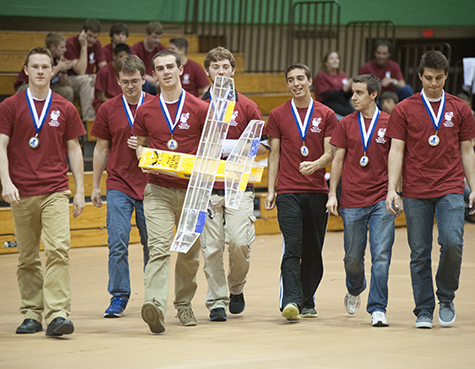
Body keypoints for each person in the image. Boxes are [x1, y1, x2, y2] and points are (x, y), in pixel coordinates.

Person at [386, 50, 475, 329]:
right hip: (415, 189)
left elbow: (467, 150)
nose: (433, 83)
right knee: (419, 252)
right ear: (419, 76)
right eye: (428, 78)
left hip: (450, 186)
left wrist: (473, 187)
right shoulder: (403, 109)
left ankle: (446, 298)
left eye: (438, 78)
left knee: (452, 243)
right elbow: (396, 151)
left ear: (446, 76)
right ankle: (424, 309)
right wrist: (392, 189)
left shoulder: (461, 109)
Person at [0, 47, 86, 336]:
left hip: (55, 190)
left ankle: (58, 313)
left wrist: (79, 190)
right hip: (21, 191)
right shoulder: (10, 106)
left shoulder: (65, 107)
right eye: (34, 66)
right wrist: (6, 182)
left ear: (52, 71)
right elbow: (1, 145)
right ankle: (32, 313)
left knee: (59, 249)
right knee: (27, 257)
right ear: (26, 70)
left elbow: (74, 149)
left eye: (44, 67)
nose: (39, 71)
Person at [131, 50, 209, 334]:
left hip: (193, 193)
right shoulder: (146, 109)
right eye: (160, 68)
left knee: (189, 253)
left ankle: (184, 304)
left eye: (170, 67)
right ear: (154, 74)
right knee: (159, 249)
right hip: (158, 189)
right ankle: (154, 306)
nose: (165, 72)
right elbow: (139, 145)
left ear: (180, 69)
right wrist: (145, 156)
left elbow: (211, 149)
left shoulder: (200, 108)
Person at [264, 63, 337, 321]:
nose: (295, 84)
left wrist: (316, 165)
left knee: (313, 249)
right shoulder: (277, 114)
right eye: (290, 80)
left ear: (309, 81)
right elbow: (274, 154)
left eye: (300, 79)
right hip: (288, 190)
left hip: (317, 190)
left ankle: (308, 299)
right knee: (292, 245)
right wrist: (271, 190)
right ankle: (291, 299)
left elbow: (331, 153)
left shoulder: (327, 114)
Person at [326, 74, 399, 327]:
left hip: (381, 198)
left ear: (373, 95)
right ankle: (355, 287)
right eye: (353, 92)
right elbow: (337, 160)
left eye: (358, 93)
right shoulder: (346, 123)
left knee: (381, 255)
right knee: (352, 257)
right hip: (352, 199)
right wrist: (332, 194)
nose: (353, 97)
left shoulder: (391, 123)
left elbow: (397, 159)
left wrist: (395, 191)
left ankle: (378, 307)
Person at [200, 46, 266, 322]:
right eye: (215, 67)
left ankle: (236, 288)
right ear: (207, 72)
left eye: (225, 66)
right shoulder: (196, 105)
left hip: (239, 187)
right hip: (207, 188)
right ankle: (216, 301)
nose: (221, 71)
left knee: (239, 243)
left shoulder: (248, 105)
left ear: (233, 70)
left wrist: (232, 147)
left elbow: (263, 146)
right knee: (212, 248)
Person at [91, 55, 154, 318]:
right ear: (118, 81)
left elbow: (170, 143)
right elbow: (100, 148)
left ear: (144, 79)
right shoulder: (107, 109)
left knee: (153, 245)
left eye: (135, 81)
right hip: (118, 183)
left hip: (151, 184)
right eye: (125, 82)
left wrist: (146, 147)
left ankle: (153, 296)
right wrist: (95, 185)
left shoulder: (157, 105)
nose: (130, 86)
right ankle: (119, 296)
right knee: (117, 242)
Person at [64, 18, 107, 121]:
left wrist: (98, 76)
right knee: (87, 81)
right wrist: (84, 46)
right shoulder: (71, 43)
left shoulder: (97, 45)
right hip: (69, 80)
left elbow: (105, 69)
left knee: (97, 81)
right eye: (89, 36)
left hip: (86, 80)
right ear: (82, 33)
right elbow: (80, 71)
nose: (92, 40)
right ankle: (90, 120)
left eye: (95, 37)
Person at [14, 32, 74, 102]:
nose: (65, 50)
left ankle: (63, 112)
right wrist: (58, 68)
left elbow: (64, 84)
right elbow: (41, 77)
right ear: (53, 47)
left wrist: (64, 70)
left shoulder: (57, 59)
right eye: (62, 47)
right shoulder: (41, 56)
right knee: (36, 89)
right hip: (28, 85)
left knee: (67, 91)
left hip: (47, 86)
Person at [313, 51, 354, 117]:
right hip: (326, 104)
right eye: (332, 59)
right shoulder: (321, 75)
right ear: (326, 63)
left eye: (337, 58)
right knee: (348, 116)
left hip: (342, 103)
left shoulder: (343, 75)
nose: (335, 61)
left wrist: (351, 88)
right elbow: (326, 96)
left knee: (356, 114)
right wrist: (343, 90)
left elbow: (346, 97)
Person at [92, 43, 130, 113]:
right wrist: (117, 104)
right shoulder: (104, 71)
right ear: (114, 56)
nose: (123, 60)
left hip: (121, 104)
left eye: (126, 57)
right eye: (120, 57)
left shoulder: (127, 72)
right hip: (105, 104)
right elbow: (101, 97)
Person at [130, 22, 166, 91]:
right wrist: (145, 76)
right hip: (141, 80)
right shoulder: (135, 49)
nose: (157, 40)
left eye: (159, 38)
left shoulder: (162, 49)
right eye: (155, 37)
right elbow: (133, 68)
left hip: (157, 81)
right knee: (144, 83)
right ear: (147, 35)